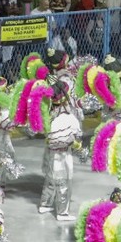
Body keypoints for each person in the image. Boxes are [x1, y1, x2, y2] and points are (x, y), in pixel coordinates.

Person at [38, 78, 81, 221]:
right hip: (61, 154)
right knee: (63, 183)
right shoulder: (64, 116)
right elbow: (65, 138)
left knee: (50, 180)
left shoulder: (49, 111)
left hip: (49, 152)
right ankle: (62, 213)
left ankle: (45, 204)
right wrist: (75, 144)